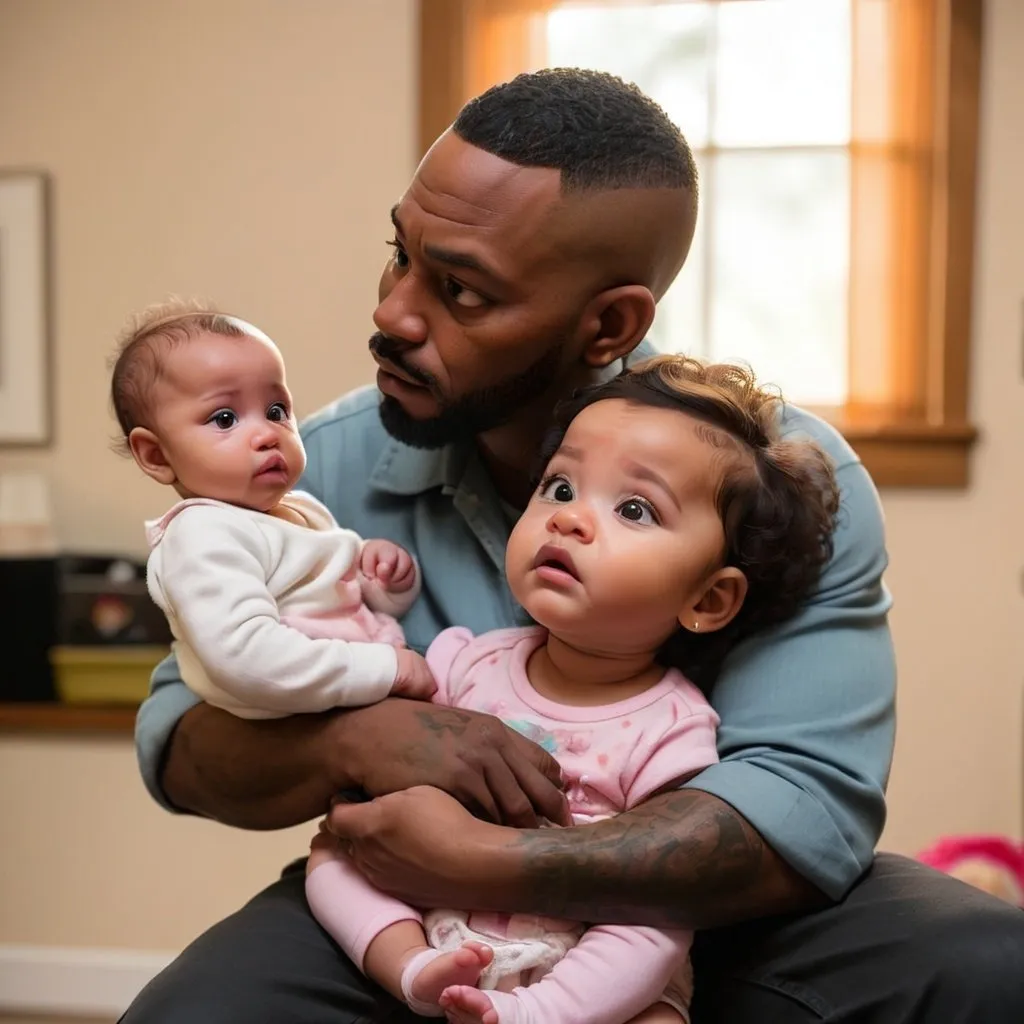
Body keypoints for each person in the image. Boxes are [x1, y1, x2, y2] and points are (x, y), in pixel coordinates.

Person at [122, 70, 1024, 1024]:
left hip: (714, 919)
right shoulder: (308, 480)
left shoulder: (784, 485)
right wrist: (362, 736)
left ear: (609, 325)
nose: (393, 313)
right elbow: (183, 741)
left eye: (461, 289)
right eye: (402, 254)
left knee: (986, 966)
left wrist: (492, 858)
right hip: (417, 912)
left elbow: (801, 804)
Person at [304, 355, 840, 1024]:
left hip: (590, 963)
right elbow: (368, 674)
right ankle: (409, 970)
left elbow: (664, 879)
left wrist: (551, 1003)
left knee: (661, 924)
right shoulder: (468, 660)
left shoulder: (673, 725)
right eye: (559, 488)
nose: (570, 519)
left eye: (634, 508)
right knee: (332, 854)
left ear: (708, 597)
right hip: (441, 922)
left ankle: (539, 1015)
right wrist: (375, 591)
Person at [111, 303, 436, 716]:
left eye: (276, 411)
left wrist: (382, 580)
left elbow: (338, 600)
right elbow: (247, 658)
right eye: (225, 418)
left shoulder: (298, 510)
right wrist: (386, 669)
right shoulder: (201, 535)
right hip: (305, 727)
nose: (267, 433)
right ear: (156, 455)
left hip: (358, 695)